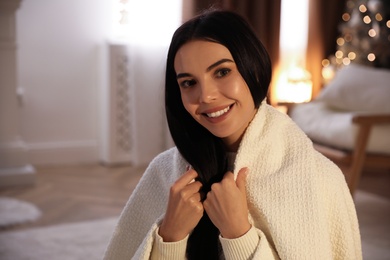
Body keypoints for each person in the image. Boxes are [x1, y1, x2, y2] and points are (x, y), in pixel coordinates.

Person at [104, 10, 362, 260]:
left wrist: (238, 234)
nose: (205, 96)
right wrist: (170, 236)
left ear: (255, 69)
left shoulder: (320, 180)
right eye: (188, 83)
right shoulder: (162, 174)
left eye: (222, 72)